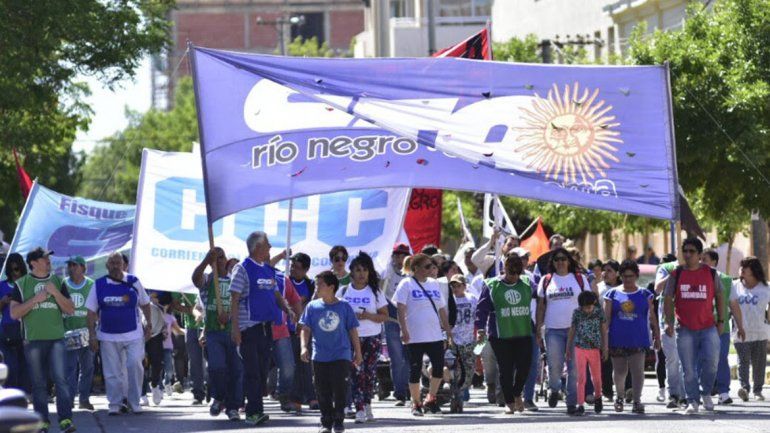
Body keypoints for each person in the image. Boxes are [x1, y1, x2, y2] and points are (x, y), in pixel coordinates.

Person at [663, 238, 745, 414]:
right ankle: (693, 401)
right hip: (684, 328)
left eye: (692, 251)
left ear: (700, 255)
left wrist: (722, 321)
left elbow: (720, 296)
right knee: (689, 368)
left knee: (712, 363)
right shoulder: (676, 274)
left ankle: (706, 392)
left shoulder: (710, 273)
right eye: (685, 251)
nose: (687, 254)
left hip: (708, 327)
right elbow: (667, 299)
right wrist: (668, 322)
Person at [229, 231, 295, 425]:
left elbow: (275, 294)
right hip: (249, 327)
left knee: (263, 371)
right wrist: (235, 330)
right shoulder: (242, 268)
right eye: (267, 244)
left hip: (267, 328)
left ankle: (257, 410)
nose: (270, 247)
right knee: (253, 372)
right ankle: (252, 412)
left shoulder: (268, 270)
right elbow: (233, 299)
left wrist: (287, 309)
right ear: (257, 247)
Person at [10, 247, 76, 433]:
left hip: (57, 340)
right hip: (33, 341)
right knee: (38, 384)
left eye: (48, 258)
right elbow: (14, 313)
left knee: (61, 381)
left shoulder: (58, 281)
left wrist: (55, 293)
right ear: (33, 263)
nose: (48, 261)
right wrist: (35, 299)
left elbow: (70, 309)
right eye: (44, 258)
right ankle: (42, 422)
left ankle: (65, 420)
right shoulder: (22, 284)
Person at [86, 251, 152, 417]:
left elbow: (145, 303)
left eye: (118, 263)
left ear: (124, 265)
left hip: (134, 334)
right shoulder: (98, 284)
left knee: (134, 364)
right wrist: (92, 335)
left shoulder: (133, 281)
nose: (115, 266)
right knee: (112, 372)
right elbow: (91, 312)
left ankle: (134, 402)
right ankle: (115, 404)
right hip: (108, 336)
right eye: (112, 263)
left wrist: (149, 324)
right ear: (107, 266)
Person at [300, 271, 362, 433]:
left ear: (331, 287)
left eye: (320, 284)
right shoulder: (312, 306)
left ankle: (339, 420)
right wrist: (304, 347)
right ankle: (326, 422)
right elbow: (305, 329)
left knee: (340, 388)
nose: (317, 287)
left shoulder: (344, 306)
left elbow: (353, 330)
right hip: (320, 355)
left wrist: (358, 352)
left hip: (341, 354)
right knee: (322, 390)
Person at [393, 253, 452, 416]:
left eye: (432, 266)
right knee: (415, 369)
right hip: (414, 335)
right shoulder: (406, 284)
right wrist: (403, 330)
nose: (431, 269)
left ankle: (431, 399)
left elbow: (441, 309)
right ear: (416, 268)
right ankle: (416, 402)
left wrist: (448, 330)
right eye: (427, 266)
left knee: (439, 368)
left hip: (434, 334)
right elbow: (400, 309)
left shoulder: (434, 284)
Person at [475, 253, 534, 415]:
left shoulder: (527, 283)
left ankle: (517, 393)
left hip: (523, 332)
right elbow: (482, 309)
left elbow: (541, 297)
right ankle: (509, 402)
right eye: (511, 273)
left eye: (517, 273)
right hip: (500, 336)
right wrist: (480, 328)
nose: (514, 277)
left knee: (524, 367)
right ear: (504, 269)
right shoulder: (491, 285)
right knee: (506, 370)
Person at [535, 247, 590, 415]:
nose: (560, 262)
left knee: (574, 368)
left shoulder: (579, 279)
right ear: (552, 262)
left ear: (569, 261)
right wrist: (538, 327)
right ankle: (554, 389)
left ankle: (571, 402)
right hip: (553, 330)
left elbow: (588, 304)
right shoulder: (546, 280)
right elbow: (541, 307)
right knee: (555, 366)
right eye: (557, 259)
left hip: (576, 330)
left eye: (563, 259)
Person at [336, 253, 388, 423]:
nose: (361, 274)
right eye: (358, 270)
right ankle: (358, 408)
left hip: (372, 337)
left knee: (369, 373)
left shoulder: (375, 291)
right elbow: (337, 314)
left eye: (365, 270)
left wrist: (367, 316)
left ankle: (367, 404)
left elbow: (384, 316)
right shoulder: (344, 291)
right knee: (356, 373)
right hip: (352, 338)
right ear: (351, 272)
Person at [192, 247, 242, 421]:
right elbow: (195, 279)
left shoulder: (234, 281)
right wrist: (206, 260)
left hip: (232, 333)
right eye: (216, 258)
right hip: (213, 333)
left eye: (222, 257)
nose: (219, 260)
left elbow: (240, 305)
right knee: (216, 368)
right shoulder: (207, 280)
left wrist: (228, 317)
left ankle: (232, 407)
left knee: (235, 371)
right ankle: (219, 397)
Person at [604, 260, 660, 414]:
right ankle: (620, 397)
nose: (628, 279)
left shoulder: (645, 294)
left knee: (637, 371)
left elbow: (652, 317)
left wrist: (657, 336)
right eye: (625, 276)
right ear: (620, 276)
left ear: (636, 276)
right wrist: (604, 340)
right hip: (617, 339)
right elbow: (606, 319)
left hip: (638, 339)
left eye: (631, 276)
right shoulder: (612, 294)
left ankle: (637, 401)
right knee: (620, 371)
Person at [731, 257, 769, 402]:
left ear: (753, 270)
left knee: (759, 362)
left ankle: (758, 390)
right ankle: (744, 388)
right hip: (740, 331)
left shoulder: (766, 288)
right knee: (743, 361)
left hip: (760, 331)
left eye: (745, 267)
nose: (741, 269)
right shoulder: (735, 286)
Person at [701, 248, 735, 404]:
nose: (701, 262)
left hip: (722, 328)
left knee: (721, 358)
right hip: (701, 326)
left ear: (714, 262)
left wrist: (740, 326)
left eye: (705, 259)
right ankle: (704, 391)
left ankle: (724, 392)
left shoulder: (727, 280)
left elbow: (733, 304)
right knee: (702, 359)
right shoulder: (696, 278)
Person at [566, 291, 606, 416]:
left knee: (597, 377)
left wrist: (605, 348)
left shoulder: (599, 312)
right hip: (580, 347)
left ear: (594, 303)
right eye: (585, 307)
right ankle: (580, 404)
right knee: (581, 377)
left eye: (590, 307)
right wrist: (568, 347)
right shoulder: (577, 313)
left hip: (594, 348)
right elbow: (572, 329)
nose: (588, 310)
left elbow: (604, 330)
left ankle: (598, 397)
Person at [63, 256, 96, 411]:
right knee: (70, 368)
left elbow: (97, 308)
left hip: (87, 331)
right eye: (69, 265)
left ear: (83, 267)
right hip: (68, 332)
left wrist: (94, 332)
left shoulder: (91, 284)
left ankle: (84, 399)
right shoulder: (63, 284)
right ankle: (69, 400)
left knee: (88, 367)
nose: (71, 268)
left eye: (74, 265)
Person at [380, 244, 410, 406]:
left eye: (403, 256)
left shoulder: (413, 272)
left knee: (409, 356)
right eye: (396, 255)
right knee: (396, 356)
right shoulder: (387, 270)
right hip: (391, 315)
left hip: (409, 316)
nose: (399, 259)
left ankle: (408, 387)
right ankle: (400, 392)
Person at [654, 253, 686, 408]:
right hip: (668, 322)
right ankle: (673, 394)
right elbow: (658, 288)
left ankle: (687, 394)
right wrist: (674, 273)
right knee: (673, 359)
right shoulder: (666, 268)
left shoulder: (697, 269)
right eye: (684, 250)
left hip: (690, 321)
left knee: (688, 360)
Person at [288, 252, 318, 410]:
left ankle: (311, 397)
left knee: (305, 365)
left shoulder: (310, 285)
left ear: (306, 269)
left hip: (305, 330)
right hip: (287, 330)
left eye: (297, 267)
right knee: (291, 366)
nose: (293, 269)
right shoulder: (285, 282)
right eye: (292, 266)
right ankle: (292, 398)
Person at [270, 270, 303, 413]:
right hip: (257, 331)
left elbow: (295, 300)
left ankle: (283, 396)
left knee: (288, 367)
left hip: (280, 331)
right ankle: (250, 401)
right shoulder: (250, 274)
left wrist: (300, 322)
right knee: (255, 369)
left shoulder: (282, 279)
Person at [170, 288, 206, 405]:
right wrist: (191, 310)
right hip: (192, 327)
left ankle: (215, 391)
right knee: (195, 362)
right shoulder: (181, 283)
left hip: (212, 325)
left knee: (214, 362)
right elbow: (176, 305)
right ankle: (198, 393)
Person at [448, 274, 477, 413]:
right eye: (453, 286)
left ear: (464, 286)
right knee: (455, 370)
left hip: (469, 339)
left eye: (458, 285)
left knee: (469, 369)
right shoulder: (448, 300)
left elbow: (478, 317)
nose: (455, 289)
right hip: (453, 339)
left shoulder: (472, 299)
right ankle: (456, 394)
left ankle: (462, 389)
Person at [0, 253, 28, 392]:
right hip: (7, 330)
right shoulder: (2, 285)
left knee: (25, 364)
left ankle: (24, 393)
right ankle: (11, 393)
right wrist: (2, 302)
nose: (15, 273)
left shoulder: (28, 283)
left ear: (22, 268)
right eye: (12, 270)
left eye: (17, 269)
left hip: (26, 329)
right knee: (11, 365)